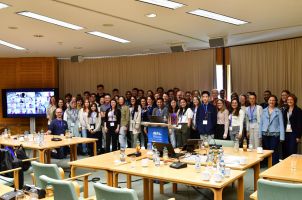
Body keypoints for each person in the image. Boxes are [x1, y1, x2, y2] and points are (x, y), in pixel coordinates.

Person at [259, 95, 285, 165]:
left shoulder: (278, 111)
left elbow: (281, 124)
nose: (271, 101)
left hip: (275, 134)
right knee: (266, 151)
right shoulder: (264, 111)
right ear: (268, 101)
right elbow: (261, 123)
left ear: (275, 101)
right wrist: (260, 135)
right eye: (270, 100)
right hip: (265, 134)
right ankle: (268, 165)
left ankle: (274, 165)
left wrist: (282, 136)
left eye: (273, 100)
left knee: (274, 150)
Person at [282, 94, 302, 158]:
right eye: (288, 99)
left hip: (294, 133)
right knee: (285, 150)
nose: (289, 101)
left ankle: (292, 166)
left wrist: (298, 136)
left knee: (292, 150)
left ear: (294, 101)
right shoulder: (285, 110)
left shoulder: (298, 110)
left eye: (291, 99)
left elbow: (300, 124)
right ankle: (285, 165)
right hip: (286, 133)